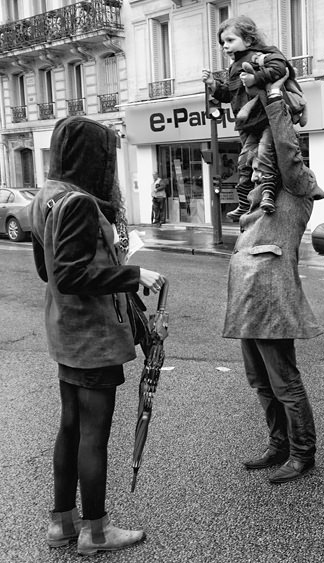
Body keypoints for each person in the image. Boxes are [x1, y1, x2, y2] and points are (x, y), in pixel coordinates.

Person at [26, 116, 165, 555]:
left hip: (64, 330)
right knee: (93, 434)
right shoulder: (82, 203)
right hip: (92, 336)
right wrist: (133, 273)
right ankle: (97, 531)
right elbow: (71, 274)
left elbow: (47, 271)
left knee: (70, 426)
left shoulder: (45, 197)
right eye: (107, 155)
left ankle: (62, 523)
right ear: (92, 156)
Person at [222, 77, 323, 484]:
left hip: (273, 300)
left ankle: (303, 453)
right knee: (260, 382)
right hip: (247, 301)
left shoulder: (297, 187)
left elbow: (282, 147)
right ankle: (277, 444)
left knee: (284, 381)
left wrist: (275, 97)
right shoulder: (257, 198)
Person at [202, 16, 303, 220]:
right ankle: (244, 202)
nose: (225, 46)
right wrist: (214, 85)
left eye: (230, 40)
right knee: (244, 162)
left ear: (248, 40)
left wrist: (255, 77)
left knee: (265, 155)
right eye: (223, 43)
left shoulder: (260, 55)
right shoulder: (233, 67)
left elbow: (280, 68)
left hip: (265, 118)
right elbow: (232, 95)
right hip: (246, 123)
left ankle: (268, 195)